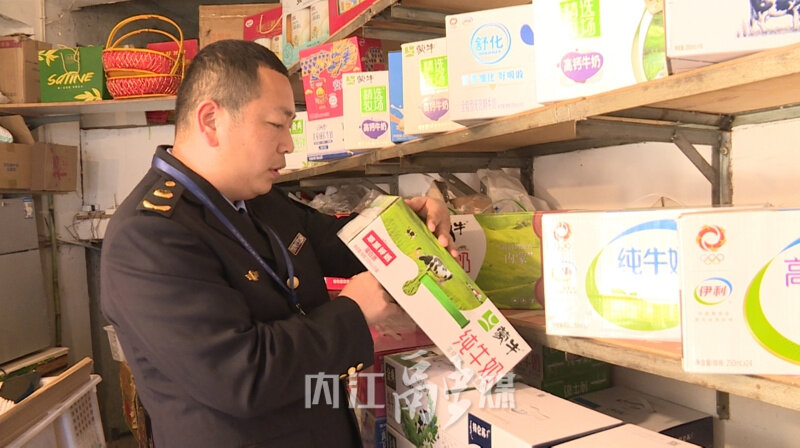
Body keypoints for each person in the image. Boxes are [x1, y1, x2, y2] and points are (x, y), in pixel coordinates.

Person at [100, 39, 457, 447]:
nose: (288, 144)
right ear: (211, 120)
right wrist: (353, 311)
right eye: (276, 124)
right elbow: (242, 375)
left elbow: (340, 243)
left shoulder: (258, 201)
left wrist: (410, 222)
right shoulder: (148, 236)